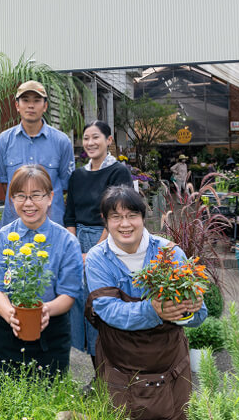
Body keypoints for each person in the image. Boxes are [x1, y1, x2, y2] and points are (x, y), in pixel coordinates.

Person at [85, 185, 207, 420]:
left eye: (132, 215)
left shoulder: (170, 253)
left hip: (170, 364)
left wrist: (189, 310)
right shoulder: (98, 259)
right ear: (105, 220)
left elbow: (199, 314)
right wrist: (154, 309)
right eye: (116, 217)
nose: (125, 224)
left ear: (143, 217)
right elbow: (108, 310)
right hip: (119, 364)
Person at [0, 164, 82, 376]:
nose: (28, 203)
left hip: (53, 330)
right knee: (8, 394)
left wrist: (46, 310)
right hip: (9, 329)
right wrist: (10, 314)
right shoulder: (1, 240)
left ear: (50, 197)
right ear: (12, 200)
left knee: (50, 397)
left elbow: (69, 293)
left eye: (36, 195)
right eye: (21, 196)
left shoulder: (66, 241)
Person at [64, 121, 133, 359]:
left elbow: (117, 214)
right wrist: (74, 248)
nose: (91, 143)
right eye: (86, 138)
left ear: (109, 140)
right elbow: (70, 214)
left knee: (100, 298)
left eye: (96, 137)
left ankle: (103, 364)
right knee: (74, 297)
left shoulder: (119, 171)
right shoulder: (77, 175)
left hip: (106, 240)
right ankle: (79, 356)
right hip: (77, 240)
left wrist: (93, 250)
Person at [0, 81, 74, 227]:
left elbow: (64, 185)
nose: (31, 105)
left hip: (51, 224)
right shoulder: (3, 140)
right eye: (25, 100)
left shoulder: (61, 141)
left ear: (45, 106)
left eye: (37, 101)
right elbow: (6, 183)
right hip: (14, 225)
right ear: (17, 106)